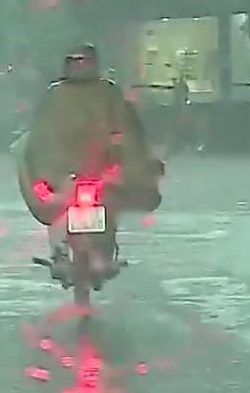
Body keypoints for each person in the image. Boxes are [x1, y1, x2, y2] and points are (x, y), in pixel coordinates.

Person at [13, 43, 162, 274]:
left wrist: (125, 158)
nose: (79, 67)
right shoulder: (56, 94)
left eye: (84, 61)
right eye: (75, 61)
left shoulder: (108, 92)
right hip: (63, 174)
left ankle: (99, 251)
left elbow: (126, 129)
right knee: (57, 206)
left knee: (109, 200)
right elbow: (42, 135)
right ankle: (61, 251)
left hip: (101, 172)